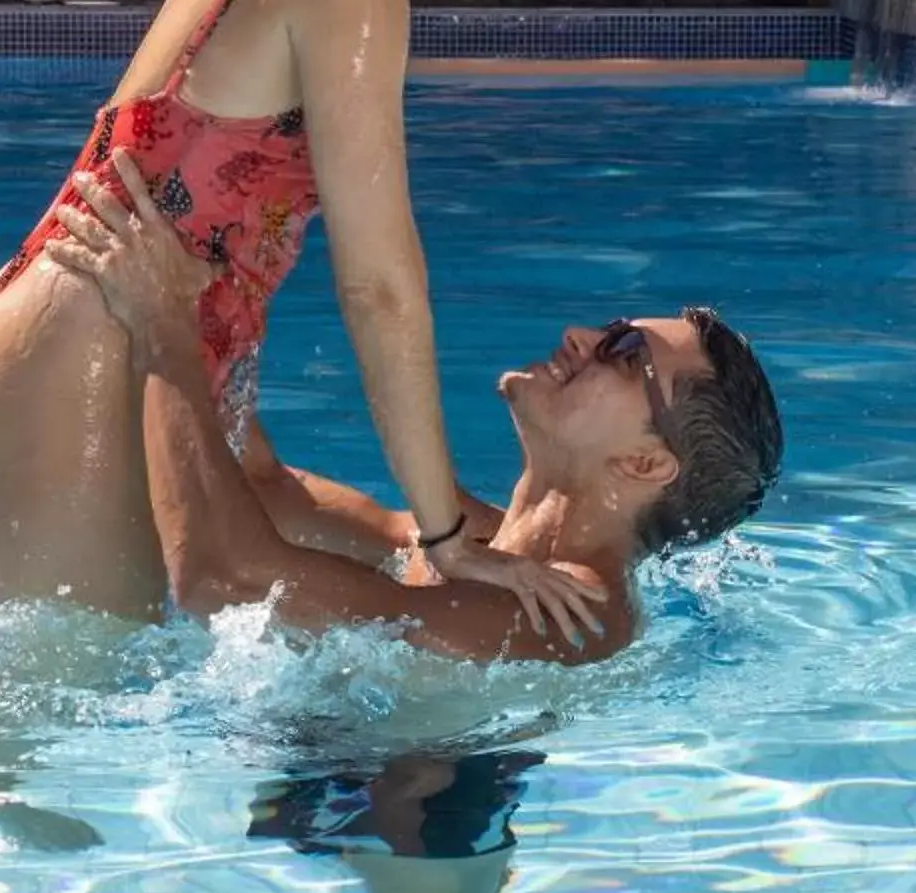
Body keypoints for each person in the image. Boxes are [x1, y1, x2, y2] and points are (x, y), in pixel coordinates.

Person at [0, 0, 617, 643]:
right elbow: (379, 282)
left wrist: (441, 530)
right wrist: (451, 539)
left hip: (56, 343)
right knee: (40, 754)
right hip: (84, 356)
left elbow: (269, 490)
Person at [40, 154, 782, 665]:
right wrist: (210, 297)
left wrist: (164, 328)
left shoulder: (578, 622)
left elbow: (228, 585)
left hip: (412, 827)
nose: (583, 336)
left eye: (624, 352)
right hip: (316, 785)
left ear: (646, 462)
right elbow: (263, 488)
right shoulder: (480, 541)